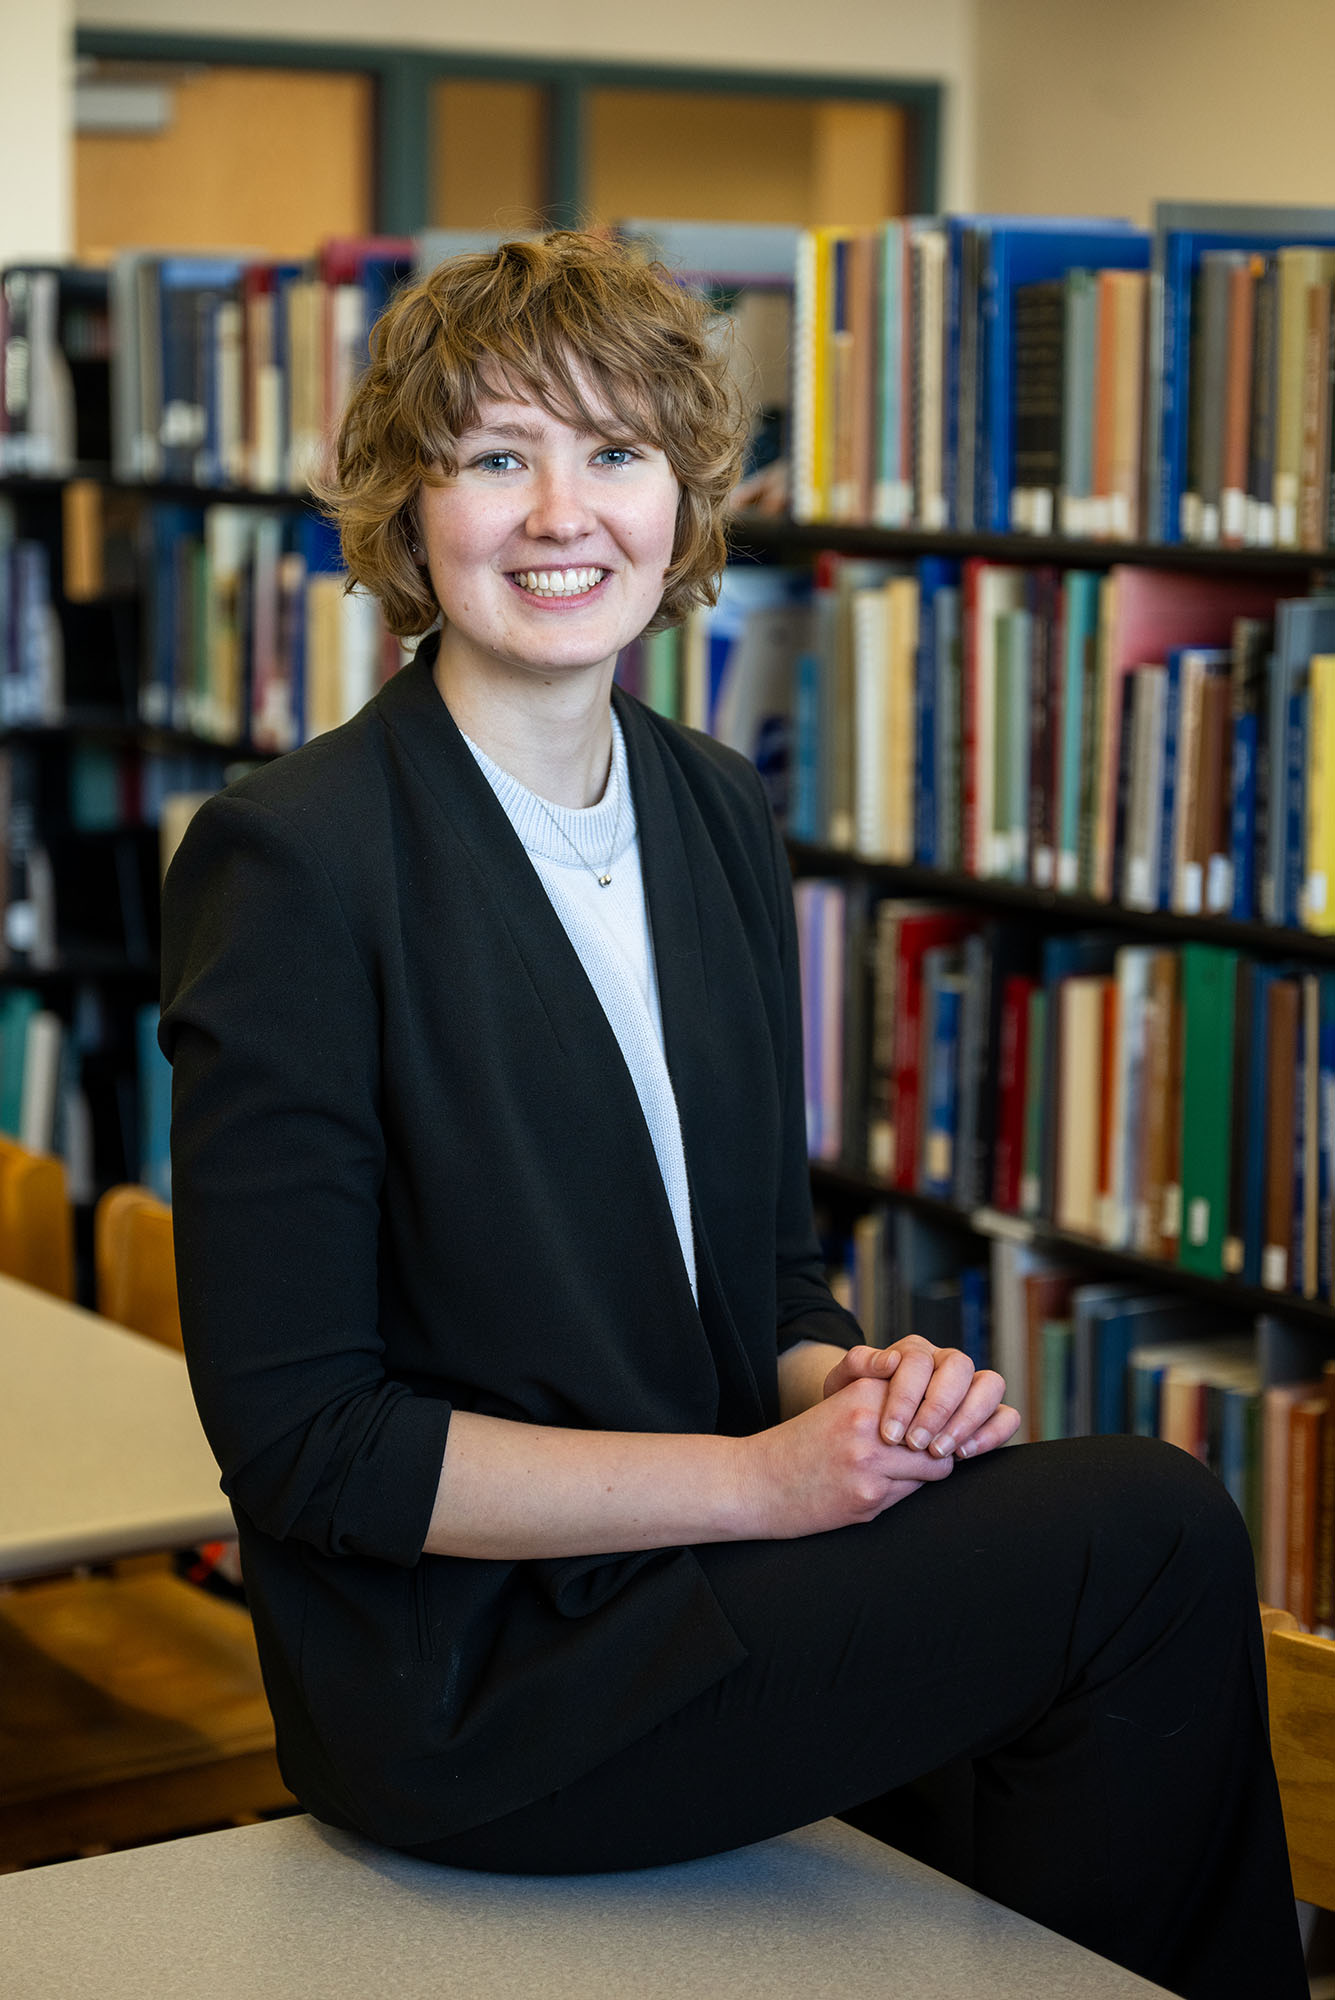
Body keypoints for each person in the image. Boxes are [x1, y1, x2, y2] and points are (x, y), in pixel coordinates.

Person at [158, 232, 1306, 2000]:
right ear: (407, 504)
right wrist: (769, 1486)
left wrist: (849, 1395)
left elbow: (769, 1276)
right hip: (476, 1672)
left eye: (616, 453)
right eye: (495, 455)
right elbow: (313, 1447)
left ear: (683, 502)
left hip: (700, 1570)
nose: (563, 511)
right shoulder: (294, 860)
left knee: (1052, 1625)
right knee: (1144, 1537)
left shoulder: (707, 810)